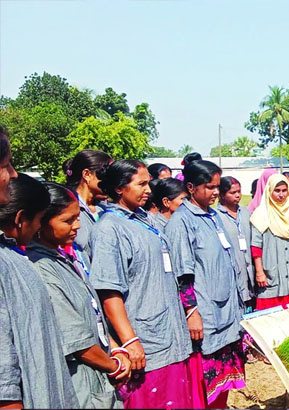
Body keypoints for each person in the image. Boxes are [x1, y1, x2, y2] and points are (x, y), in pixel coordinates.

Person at [89, 160, 200, 409]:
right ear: (119, 188)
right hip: (146, 341)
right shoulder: (110, 229)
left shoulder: (143, 220)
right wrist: (130, 341)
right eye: (141, 184)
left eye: (148, 182)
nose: (148, 189)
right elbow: (109, 291)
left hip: (168, 334)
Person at [28, 182, 131, 408]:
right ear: (40, 223)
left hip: (99, 374)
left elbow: (94, 316)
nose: (77, 226)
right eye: (68, 221)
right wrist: (114, 366)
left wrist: (116, 349)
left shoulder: (68, 257)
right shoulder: (42, 268)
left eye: (77, 218)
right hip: (80, 383)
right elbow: (76, 340)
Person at [165, 160, 247, 408]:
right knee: (204, 385)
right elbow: (183, 274)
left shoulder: (213, 216)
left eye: (216, 187)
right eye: (209, 187)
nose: (215, 192)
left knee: (225, 382)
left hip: (227, 310)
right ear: (191, 187)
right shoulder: (181, 222)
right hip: (207, 316)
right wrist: (192, 312)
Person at [0, 170, 80, 409]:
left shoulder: (17, 257)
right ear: (20, 219)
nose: (38, 229)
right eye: (39, 219)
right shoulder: (6, 263)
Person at [250, 175, 289, 309]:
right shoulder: (261, 214)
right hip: (271, 275)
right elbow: (256, 247)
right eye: (277, 190)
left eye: (284, 190)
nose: (281, 194)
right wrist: (259, 272)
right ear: (269, 191)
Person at [217, 176, 255, 313]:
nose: (237, 195)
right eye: (232, 193)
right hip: (232, 270)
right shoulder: (216, 217)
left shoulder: (245, 213)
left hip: (249, 268)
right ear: (221, 194)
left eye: (239, 191)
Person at [63, 149, 113, 254]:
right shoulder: (65, 210)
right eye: (106, 175)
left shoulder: (105, 209)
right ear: (87, 174)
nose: (112, 182)